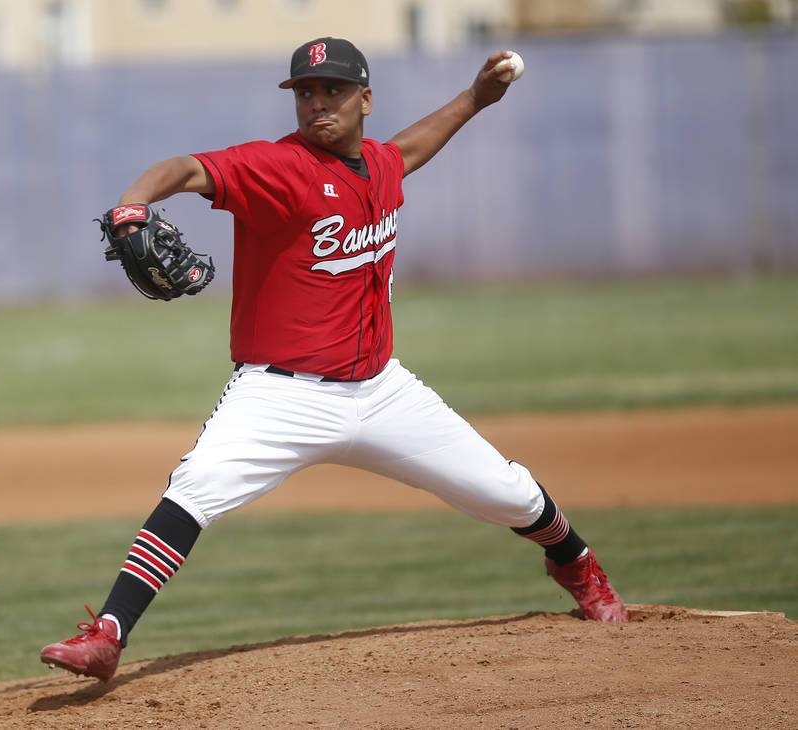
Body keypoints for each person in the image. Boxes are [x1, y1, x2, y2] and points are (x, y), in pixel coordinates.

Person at [40, 37, 628, 681]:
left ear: (364, 99)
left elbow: (408, 150)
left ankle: (577, 566)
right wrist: (132, 206)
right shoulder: (277, 167)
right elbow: (183, 169)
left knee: (508, 492)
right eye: (305, 92)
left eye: (333, 90)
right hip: (281, 396)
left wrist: (474, 99)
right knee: (195, 488)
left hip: (383, 392)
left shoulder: (379, 165)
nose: (317, 103)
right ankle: (109, 634)